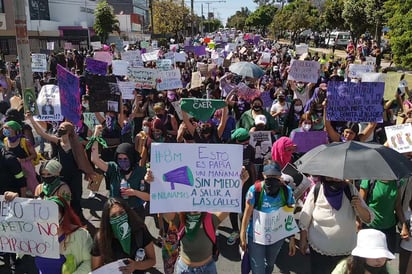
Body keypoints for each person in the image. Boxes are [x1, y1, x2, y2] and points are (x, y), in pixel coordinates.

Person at [299, 177, 374, 274]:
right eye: (330, 177)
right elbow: (305, 217)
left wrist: (358, 206)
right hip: (319, 250)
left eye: (337, 177)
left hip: (346, 251)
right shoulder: (317, 189)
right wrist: (302, 239)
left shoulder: (350, 189)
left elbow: (367, 219)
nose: (334, 179)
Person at [27, 113, 95, 219]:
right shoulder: (57, 141)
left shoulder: (77, 143)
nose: (59, 129)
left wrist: (88, 171)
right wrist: (31, 119)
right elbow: (41, 133)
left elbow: (84, 158)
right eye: (59, 127)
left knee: (76, 198)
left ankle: (78, 219)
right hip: (60, 176)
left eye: (62, 128)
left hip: (74, 176)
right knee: (61, 199)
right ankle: (63, 218)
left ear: (69, 131)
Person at [240, 160, 296, 274]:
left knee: (270, 264)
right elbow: (246, 214)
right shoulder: (254, 190)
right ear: (263, 175)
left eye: (275, 176)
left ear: (280, 175)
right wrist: (242, 235)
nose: (272, 179)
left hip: (277, 237)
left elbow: (289, 214)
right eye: (268, 176)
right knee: (258, 268)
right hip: (256, 237)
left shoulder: (286, 191)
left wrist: (292, 238)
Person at [91, 125, 149, 220]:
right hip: (116, 214)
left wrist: (134, 192)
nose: (123, 162)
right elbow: (95, 159)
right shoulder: (114, 168)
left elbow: (148, 197)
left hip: (135, 214)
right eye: (120, 159)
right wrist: (96, 135)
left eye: (126, 159)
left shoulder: (140, 171)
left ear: (131, 158)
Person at [91, 198, 156, 273]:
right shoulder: (101, 238)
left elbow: (152, 260)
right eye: (113, 216)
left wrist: (136, 265)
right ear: (107, 219)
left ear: (127, 212)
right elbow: (96, 270)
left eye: (121, 213)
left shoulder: (139, 229)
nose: (119, 218)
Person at [35, 196, 92, 274]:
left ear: (63, 215)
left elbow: (90, 262)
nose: (48, 217)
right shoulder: (37, 234)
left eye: (53, 213)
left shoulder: (81, 235)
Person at [359, 178, 409, 253]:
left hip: (389, 229)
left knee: (385, 259)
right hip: (371, 227)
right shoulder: (369, 180)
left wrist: (404, 226)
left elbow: (398, 205)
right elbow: (360, 204)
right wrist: (358, 222)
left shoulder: (397, 182)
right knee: (370, 258)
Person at [331, 229, 396, 274]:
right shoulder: (345, 267)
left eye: (383, 255)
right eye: (374, 255)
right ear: (362, 256)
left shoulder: (388, 270)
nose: (379, 260)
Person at [2, 120, 38, 195]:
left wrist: (23, 160)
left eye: (7, 128)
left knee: (32, 185)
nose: (5, 130)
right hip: (13, 166)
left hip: (26, 166)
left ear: (14, 129)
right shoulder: (5, 140)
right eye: (4, 128)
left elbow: (34, 155)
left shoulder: (24, 141)